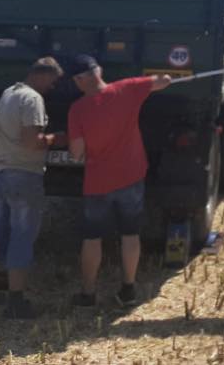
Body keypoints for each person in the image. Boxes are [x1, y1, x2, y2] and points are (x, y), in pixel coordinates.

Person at [65, 55, 171, 308]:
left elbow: (77, 154)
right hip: (131, 176)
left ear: (79, 80)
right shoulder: (128, 88)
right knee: (130, 234)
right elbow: (163, 80)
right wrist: (166, 77)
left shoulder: (78, 110)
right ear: (99, 71)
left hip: (98, 182)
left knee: (92, 238)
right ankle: (128, 289)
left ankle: (88, 293)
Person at [0, 56, 64, 318]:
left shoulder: (8, 93)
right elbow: (31, 142)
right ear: (42, 75)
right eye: (52, 81)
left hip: (1, 172)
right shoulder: (32, 99)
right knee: (22, 236)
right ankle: (16, 301)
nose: (52, 87)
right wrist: (56, 139)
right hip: (24, 174)